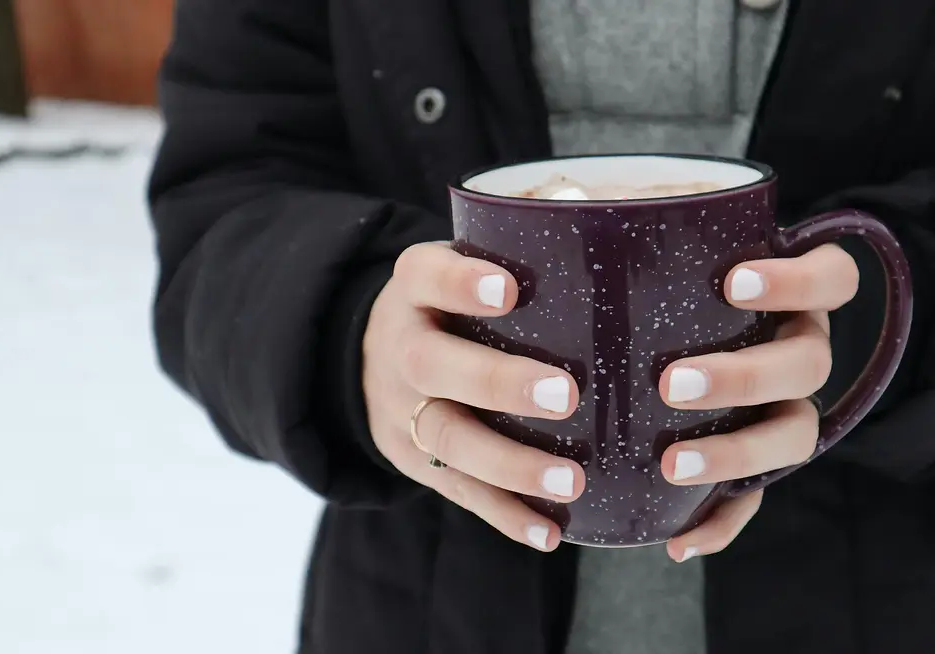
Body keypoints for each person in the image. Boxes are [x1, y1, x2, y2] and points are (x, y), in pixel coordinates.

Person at [147, 1, 935, 653]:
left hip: (884, 594)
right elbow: (226, 195)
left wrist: (859, 328)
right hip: (425, 607)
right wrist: (355, 335)